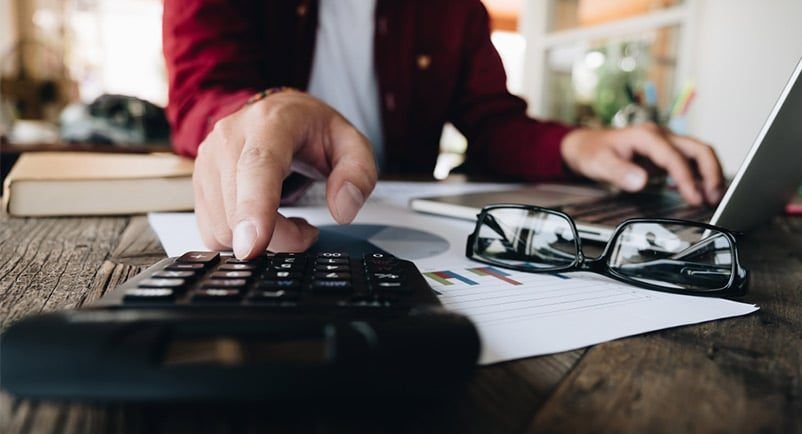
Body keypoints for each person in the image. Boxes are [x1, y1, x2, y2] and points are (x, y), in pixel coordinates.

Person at [163, 0, 724, 260]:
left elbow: (493, 121)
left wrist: (577, 143)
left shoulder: (455, 10)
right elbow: (198, 94)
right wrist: (266, 110)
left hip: (404, 221)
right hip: (272, 219)